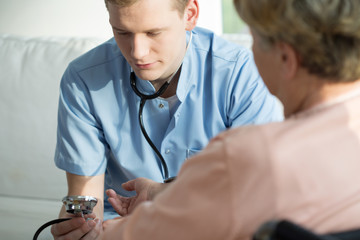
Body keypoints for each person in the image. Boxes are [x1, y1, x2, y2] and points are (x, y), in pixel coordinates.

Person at [99, 0, 360, 239]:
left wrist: (105, 232)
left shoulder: (249, 155)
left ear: (286, 58)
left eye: (253, 39)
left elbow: (143, 234)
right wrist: (164, 192)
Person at [51, 0, 282, 238]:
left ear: (190, 15)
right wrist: (81, 228)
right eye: (122, 32)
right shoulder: (82, 80)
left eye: (153, 32)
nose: (137, 52)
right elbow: (88, 198)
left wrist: (164, 194)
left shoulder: (242, 74)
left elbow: (256, 192)